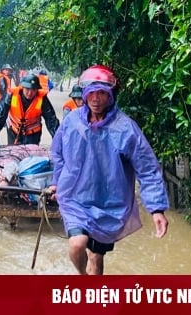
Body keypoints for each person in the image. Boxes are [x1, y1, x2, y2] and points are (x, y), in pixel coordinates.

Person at [48, 65, 169, 275]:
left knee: (96, 256)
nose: (96, 99)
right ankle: (83, 277)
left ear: (111, 95)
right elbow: (57, 153)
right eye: (91, 93)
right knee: (77, 245)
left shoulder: (126, 128)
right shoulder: (72, 122)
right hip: (76, 197)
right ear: (84, 95)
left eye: (102, 93)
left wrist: (156, 208)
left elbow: (147, 168)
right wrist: (58, 182)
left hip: (109, 204)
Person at [0, 73, 60, 145]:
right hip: (13, 131)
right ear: (22, 87)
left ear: (37, 90)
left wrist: (58, 139)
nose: (30, 93)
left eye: (33, 90)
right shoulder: (12, 95)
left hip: (33, 134)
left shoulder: (42, 99)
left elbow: (51, 120)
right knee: (13, 154)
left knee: (31, 156)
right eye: (27, 89)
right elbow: (0, 116)